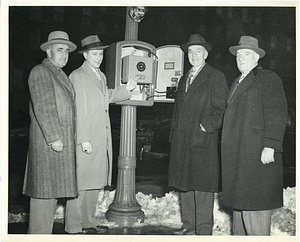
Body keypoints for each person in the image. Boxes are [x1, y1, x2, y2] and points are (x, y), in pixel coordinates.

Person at [64, 35, 137, 234]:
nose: (98, 58)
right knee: (80, 183)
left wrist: (126, 89)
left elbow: (107, 96)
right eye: (94, 54)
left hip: (100, 136)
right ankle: (72, 226)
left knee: (94, 183)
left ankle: (87, 221)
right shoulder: (78, 76)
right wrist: (83, 139)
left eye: (100, 54)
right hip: (87, 138)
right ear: (85, 55)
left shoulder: (100, 75)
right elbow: (79, 109)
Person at [221, 36, 288, 235]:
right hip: (241, 158)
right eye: (238, 55)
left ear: (257, 57)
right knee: (241, 214)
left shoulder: (267, 78)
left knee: (255, 215)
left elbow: (277, 113)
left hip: (256, 156)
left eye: (246, 54)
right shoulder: (237, 82)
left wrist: (271, 144)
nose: (240, 58)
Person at [168, 34, 228, 235]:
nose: (194, 55)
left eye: (198, 51)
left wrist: (204, 126)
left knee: (202, 187)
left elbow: (221, 110)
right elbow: (178, 110)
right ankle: (188, 225)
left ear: (206, 53)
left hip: (202, 140)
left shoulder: (215, 76)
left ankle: (203, 230)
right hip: (182, 139)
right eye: (191, 52)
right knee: (185, 184)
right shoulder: (185, 77)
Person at [22, 30, 78, 234]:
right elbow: (43, 106)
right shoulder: (41, 71)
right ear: (48, 52)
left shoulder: (57, 73)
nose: (64, 54)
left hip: (57, 144)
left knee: (50, 196)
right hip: (50, 145)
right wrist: (54, 137)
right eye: (59, 50)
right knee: (43, 198)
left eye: (67, 51)